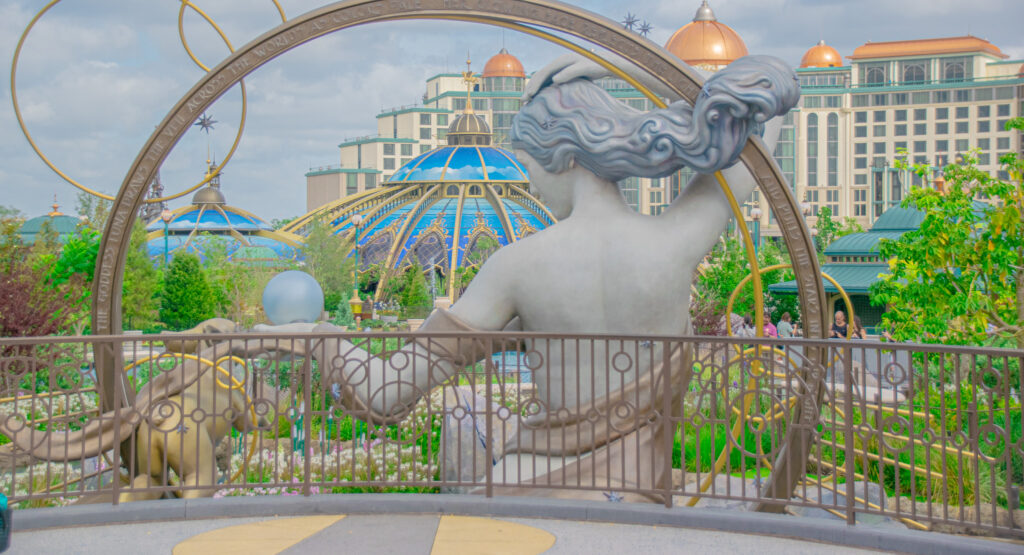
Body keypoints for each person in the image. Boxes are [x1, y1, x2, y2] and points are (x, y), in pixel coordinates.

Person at [288, 52, 800, 501]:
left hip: (525, 489)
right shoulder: (676, 242)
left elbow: (385, 392)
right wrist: (627, 68)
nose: (530, 183)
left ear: (564, 155)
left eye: (529, 164)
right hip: (636, 494)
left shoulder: (517, 264)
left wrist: (308, 336)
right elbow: (765, 103)